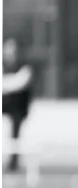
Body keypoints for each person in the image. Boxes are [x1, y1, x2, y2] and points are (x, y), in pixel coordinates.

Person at [3, 36, 34, 173]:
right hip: (4, 106)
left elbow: (19, 82)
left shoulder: (25, 66)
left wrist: (5, 83)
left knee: (15, 132)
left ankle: (13, 164)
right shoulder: (3, 65)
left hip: (18, 109)